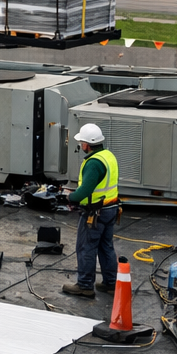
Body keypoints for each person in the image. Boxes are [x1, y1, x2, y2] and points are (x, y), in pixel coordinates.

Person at [62, 123, 121, 299]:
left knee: (86, 248)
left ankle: (85, 285)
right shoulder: (108, 156)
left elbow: (85, 191)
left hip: (95, 213)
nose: (81, 145)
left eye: (82, 142)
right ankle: (111, 283)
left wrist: (69, 198)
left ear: (87, 144)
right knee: (106, 247)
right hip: (111, 209)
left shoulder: (93, 163)